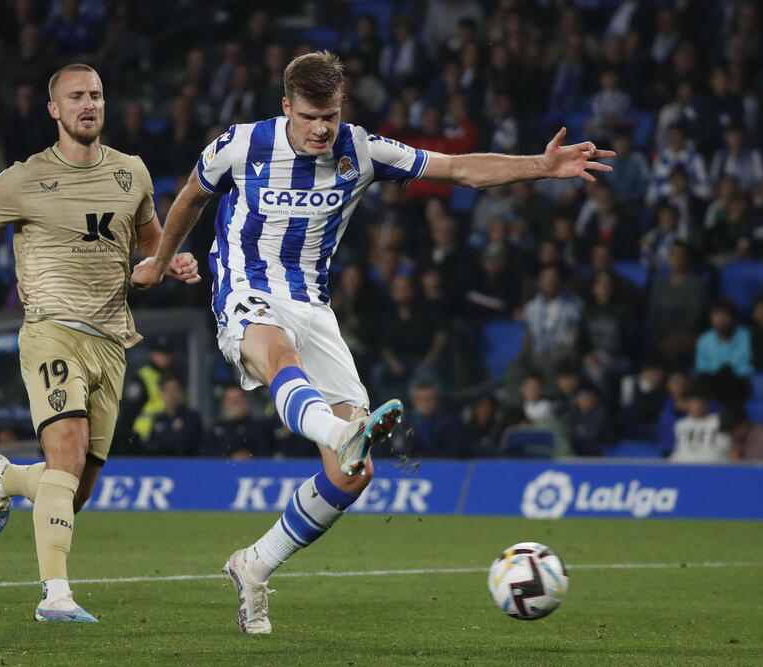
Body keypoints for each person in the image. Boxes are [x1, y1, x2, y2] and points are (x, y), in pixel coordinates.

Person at [130, 51, 614, 634]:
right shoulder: (242, 144)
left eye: (330, 115)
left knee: (352, 475)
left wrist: (539, 166)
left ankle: (254, 565)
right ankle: (341, 431)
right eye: (310, 116)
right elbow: (191, 195)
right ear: (286, 107)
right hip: (247, 291)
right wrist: (158, 260)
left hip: (314, 306)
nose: (321, 129)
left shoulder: (361, 150)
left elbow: (457, 170)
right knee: (280, 359)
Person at [0, 64, 198, 623]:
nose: (88, 104)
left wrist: (170, 264)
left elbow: (149, 245)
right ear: (54, 110)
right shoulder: (22, 180)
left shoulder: (132, 173)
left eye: (96, 94)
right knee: (67, 455)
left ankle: (7, 478)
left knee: (73, 489)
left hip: (111, 343)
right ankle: (56, 596)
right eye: (76, 97)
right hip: (51, 331)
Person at [143, 375, 203, 456]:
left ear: (181, 392)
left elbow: (184, 446)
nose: (171, 395)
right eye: (167, 390)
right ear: (161, 394)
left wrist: (160, 448)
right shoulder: (159, 419)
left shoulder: (191, 418)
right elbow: (151, 446)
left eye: (174, 390)